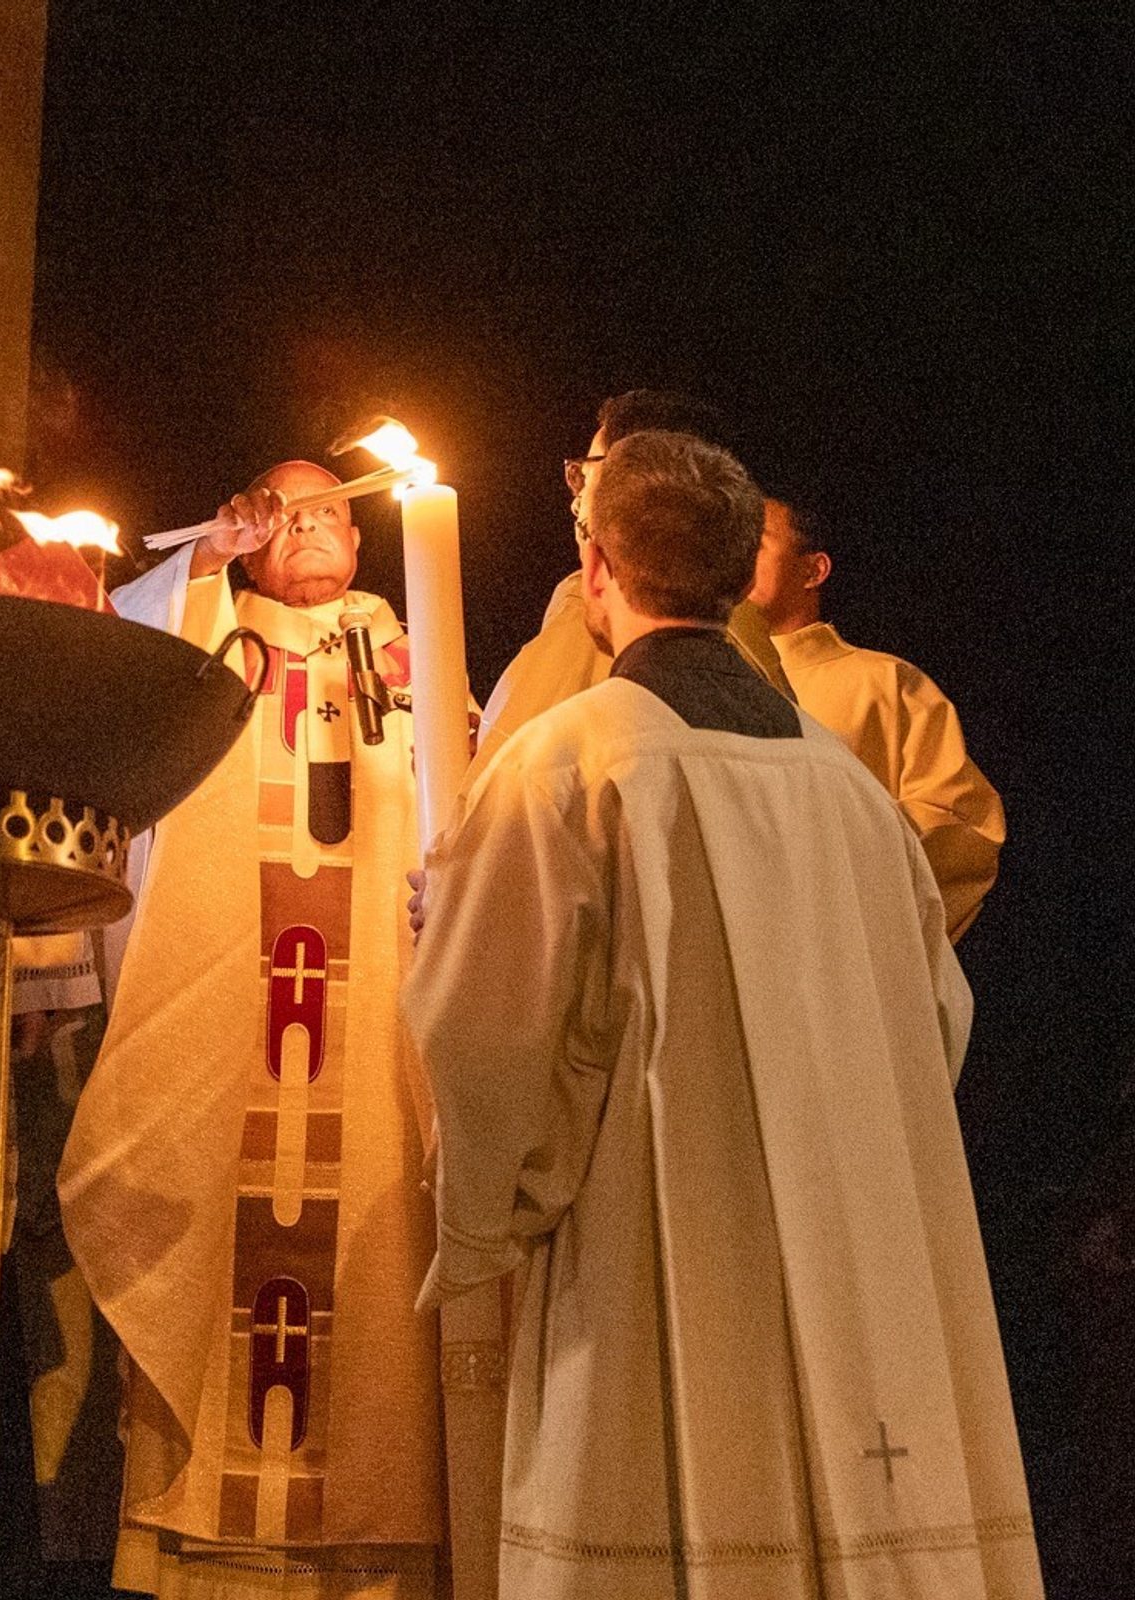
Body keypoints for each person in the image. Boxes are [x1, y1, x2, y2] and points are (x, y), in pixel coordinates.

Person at [402, 431, 1043, 1599]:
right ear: (744, 564)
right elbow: (936, 1024)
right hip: (863, 1248)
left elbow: (486, 1032)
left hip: (651, 1243)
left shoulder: (567, 764)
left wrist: (497, 1208)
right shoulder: (848, 788)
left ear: (596, 567)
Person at [60, 463, 445, 1597]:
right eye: (286, 507)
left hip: (374, 1024)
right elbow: (115, 661)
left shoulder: (414, 657)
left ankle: (373, 1539)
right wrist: (207, 561)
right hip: (232, 1010)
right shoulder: (207, 632)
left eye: (334, 507)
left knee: (377, 1268)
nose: (314, 522)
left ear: (367, 545)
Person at [471, 388, 791, 780]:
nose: (576, 503)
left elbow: (513, 799)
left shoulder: (600, 619)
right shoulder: (816, 751)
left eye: (586, 476)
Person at [748, 495, 1005, 940]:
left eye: (758, 541)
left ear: (813, 570)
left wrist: (829, 852)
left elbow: (966, 829)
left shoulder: (886, 682)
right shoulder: (703, 679)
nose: (736, 555)